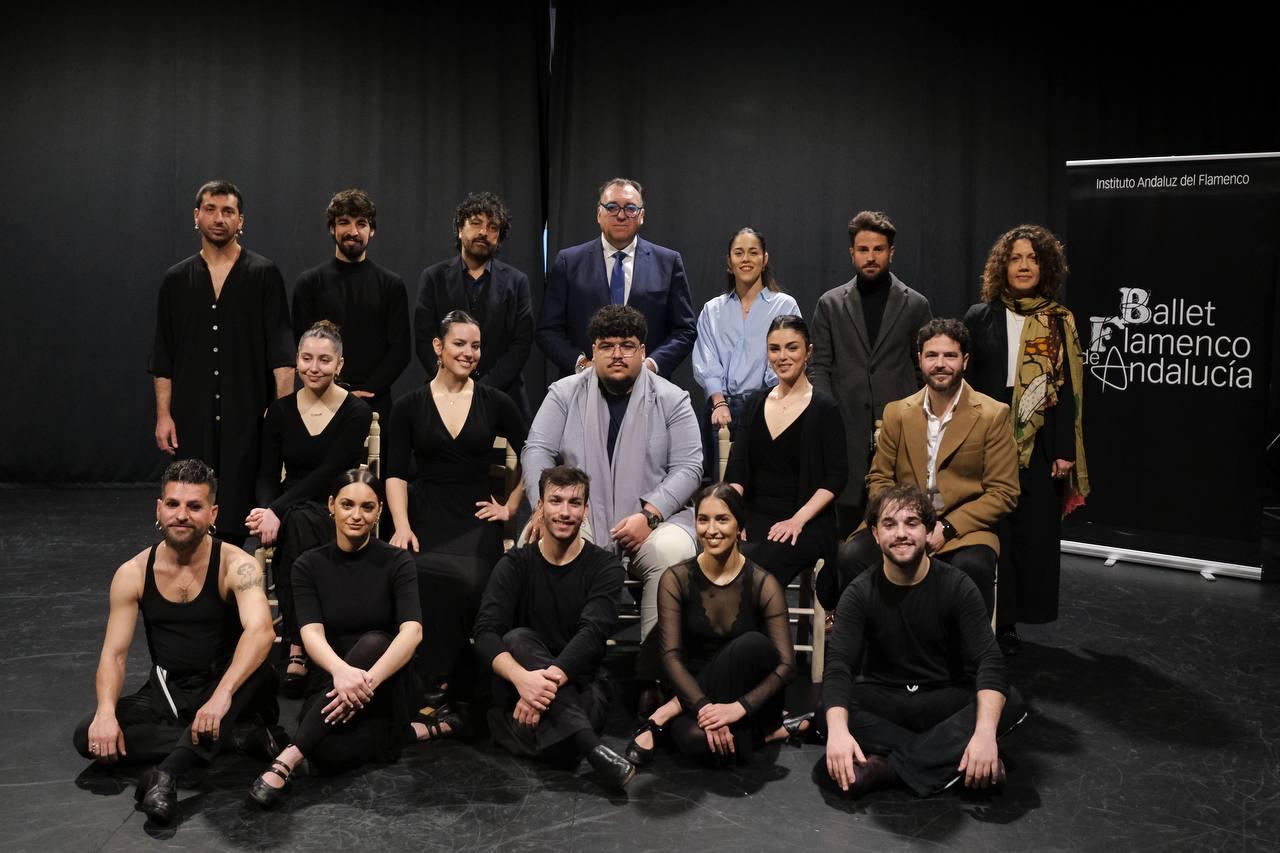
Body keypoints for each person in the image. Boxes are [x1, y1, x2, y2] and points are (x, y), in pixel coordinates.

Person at [73, 460, 279, 825]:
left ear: (212, 513)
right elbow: (115, 654)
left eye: (194, 506)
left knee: (257, 666)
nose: (181, 515)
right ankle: (234, 740)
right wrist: (105, 713)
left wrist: (221, 697)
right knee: (87, 736)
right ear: (159, 508)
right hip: (169, 691)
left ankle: (166, 773)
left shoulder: (237, 564)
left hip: (229, 687)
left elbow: (261, 631)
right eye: (173, 504)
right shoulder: (132, 572)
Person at [821, 484, 1025, 798]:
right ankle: (954, 757)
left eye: (911, 523)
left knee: (1009, 701)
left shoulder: (958, 586)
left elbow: (989, 661)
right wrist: (836, 731)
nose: (900, 533)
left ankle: (887, 770)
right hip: (884, 697)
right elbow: (838, 668)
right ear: (875, 535)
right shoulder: (859, 593)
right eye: (889, 524)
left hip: (942, 696)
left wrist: (984, 734)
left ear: (929, 531)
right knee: (831, 712)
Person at [522, 305, 701, 647]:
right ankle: (557, 657)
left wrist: (649, 515)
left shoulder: (672, 399)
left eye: (627, 345)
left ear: (643, 351)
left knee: (669, 555)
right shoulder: (564, 393)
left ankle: (656, 670)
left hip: (656, 519)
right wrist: (542, 507)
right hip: (583, 512)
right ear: (593, 352)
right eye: (607, 345)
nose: (617, 354)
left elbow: (689, 467)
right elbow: (536, 450)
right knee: (540, 541)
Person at [248, 469, 425, 807]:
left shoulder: (397, 561)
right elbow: (310, 632)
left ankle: (287, 758)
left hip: (385, 682)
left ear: (379, 512)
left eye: (367, 507)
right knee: (327, 756)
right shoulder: (308, 565)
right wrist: (342, 674)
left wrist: (364, 681)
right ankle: (402, 735)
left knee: (374, 641)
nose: (356, 516)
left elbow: (412, 631)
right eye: (346, 504)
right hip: (331, 681)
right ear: (331, 505)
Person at [821, 319, 1019, 616]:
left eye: (949, 356)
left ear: (965, 360)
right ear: (920, 360)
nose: (940, 364)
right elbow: (879, 477)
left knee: (972, 567)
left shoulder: (993, 415)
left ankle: (963, 658)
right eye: (932, 355)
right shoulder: (897, 412)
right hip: (900, 520)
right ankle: (866, 649)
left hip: (962, 529)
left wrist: (947, 528)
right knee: (850, 556)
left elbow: (1003, 492)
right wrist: (898, 520)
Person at [387, 310, 527, 711]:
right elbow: (395, 473)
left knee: (469, 579)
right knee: (414, 572)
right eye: (460, 344)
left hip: (474, 513)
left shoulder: (496, 401)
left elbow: (535, 451)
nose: (469, 353)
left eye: (476, 346)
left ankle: (464, 679)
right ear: (438, 347)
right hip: (424, 511)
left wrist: (511, 506)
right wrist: (400, 525)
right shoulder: (409, 405)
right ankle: (427, 679)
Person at [964, 225, 1089, 653]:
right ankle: (986, 618)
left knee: (1029, 532)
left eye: (1031, 258)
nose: (1023, 265)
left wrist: (1064, 452)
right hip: (987, 432)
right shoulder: (979, 316)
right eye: (1015, 258)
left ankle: (1012, 622)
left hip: (1040, 440)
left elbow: (1068, 391)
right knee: (991, 527)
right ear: (1003, 266)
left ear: (1045, 266)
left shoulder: (1059, 320)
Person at [150, 180, 295, 545]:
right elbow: (163, 354)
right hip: (192, 413)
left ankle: (235, 585)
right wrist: (164, 414)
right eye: (211, 210)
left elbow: (281, 354)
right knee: (192, 500)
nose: (219, 218)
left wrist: (280, 413)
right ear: (196, 216)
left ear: (240, 220)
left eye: (228, 211)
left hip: (248, 414)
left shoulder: (263, 274)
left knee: (239, 509)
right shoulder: (176, 280)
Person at [472, 465, 633, 791]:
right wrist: (524, 680)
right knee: (517, 637)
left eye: (574, 503)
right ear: (539, 507)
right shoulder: (515, 564)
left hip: (581, 682)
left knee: (563, 738)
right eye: (555, 501)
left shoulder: (605, 567)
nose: (564, 512)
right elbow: (486, 632)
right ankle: (592, 747)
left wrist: (540, 690)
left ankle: (522, 732)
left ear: (585, 511)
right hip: (522, 680)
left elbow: (592, 634)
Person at [625, 484, 797, 767]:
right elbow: (669, 656)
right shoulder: (676, 578)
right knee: (694, 740)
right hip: (694, 690)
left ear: (740, 526)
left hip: (749, 693)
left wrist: (737, 709)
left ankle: (665, 714)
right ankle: (775, 733)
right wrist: (704, 706)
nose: (711, 529)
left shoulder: (764, 583)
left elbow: (786, 666)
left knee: (752, 644)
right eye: (703, 519)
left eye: (722, 519)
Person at [246, 321, 373, 695]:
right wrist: (266, 508)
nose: (314, 367)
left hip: (338, 502)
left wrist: (278, 511)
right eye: (306, 359)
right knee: (296, 522)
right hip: (290, 505)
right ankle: (310, 637)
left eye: (324, 360)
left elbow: (331, 471)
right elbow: (266, 474)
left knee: (299, 521)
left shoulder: (355, 412)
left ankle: (298, 643)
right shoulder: (280, 412)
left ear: (339, 364)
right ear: (297, 362)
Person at [810, 211, 931, 536]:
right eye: (863, 249)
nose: (871, 256)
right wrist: (830, 413)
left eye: (878, 249)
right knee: (845, 529)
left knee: (898, 520)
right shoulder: (831, 304)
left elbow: (925, 369)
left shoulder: (915, 304)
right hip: (845, 430)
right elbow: (819, 365)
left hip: (899, 431)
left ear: (891, 252)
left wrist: (912, 413)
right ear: (852, 253)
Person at [724, 315, 847, 588]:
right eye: (774, 348)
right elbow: (737, 468)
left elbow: (836, 477)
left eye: (792, 347)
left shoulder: (824, 408)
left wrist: (796, 521)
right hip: (755, 516)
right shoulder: (755, 403)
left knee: (755, 566)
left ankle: (756, 630)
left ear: (808, 352)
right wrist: (732, 517)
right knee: (717, 555)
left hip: (807, 520)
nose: (782, 356)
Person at [536, 177, 696, 378]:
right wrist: (583, 365)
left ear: (642, 216)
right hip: (582, 388)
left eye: (630, 208)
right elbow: (548, 330)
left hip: (648, 387)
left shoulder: (668, 262)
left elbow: (685, 330)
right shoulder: (569, 262)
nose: (621, 215)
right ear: (598, 213)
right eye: (612, 207)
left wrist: (651, 366)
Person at [291, 189, 411, 428]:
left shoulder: (391, 285)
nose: (353, 232)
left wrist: (367, 391)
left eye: (361, 224)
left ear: (372, 230)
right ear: (332, 228)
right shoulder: (309, 283)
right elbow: (299, 344)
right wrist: (335, 392)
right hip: (319, 401)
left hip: (375, 404)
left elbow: (400, 350)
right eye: (344, 222)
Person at [692, 227, 802, 476]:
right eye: (738, 253)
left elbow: (785, 359)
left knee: (763, 481)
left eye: (753, 253)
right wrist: (719, 403)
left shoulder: (785, 304)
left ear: (764, 259)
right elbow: (706, 358)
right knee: (719, 486)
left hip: (768, 405)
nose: (746, 259)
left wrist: (768, 404)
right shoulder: (712, 310)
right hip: (721, 409)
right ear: (729, 262)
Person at [415, 191, 535, 418]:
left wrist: (482, 389)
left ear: (499, 237)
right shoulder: (433, 277)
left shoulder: (517, 282)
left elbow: (521, 345)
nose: (483, 232)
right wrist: (452, 381)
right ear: (460, 230)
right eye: (476, 223)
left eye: (492, 227)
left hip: (503, 397)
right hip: (445, 394)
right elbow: (424, 337)